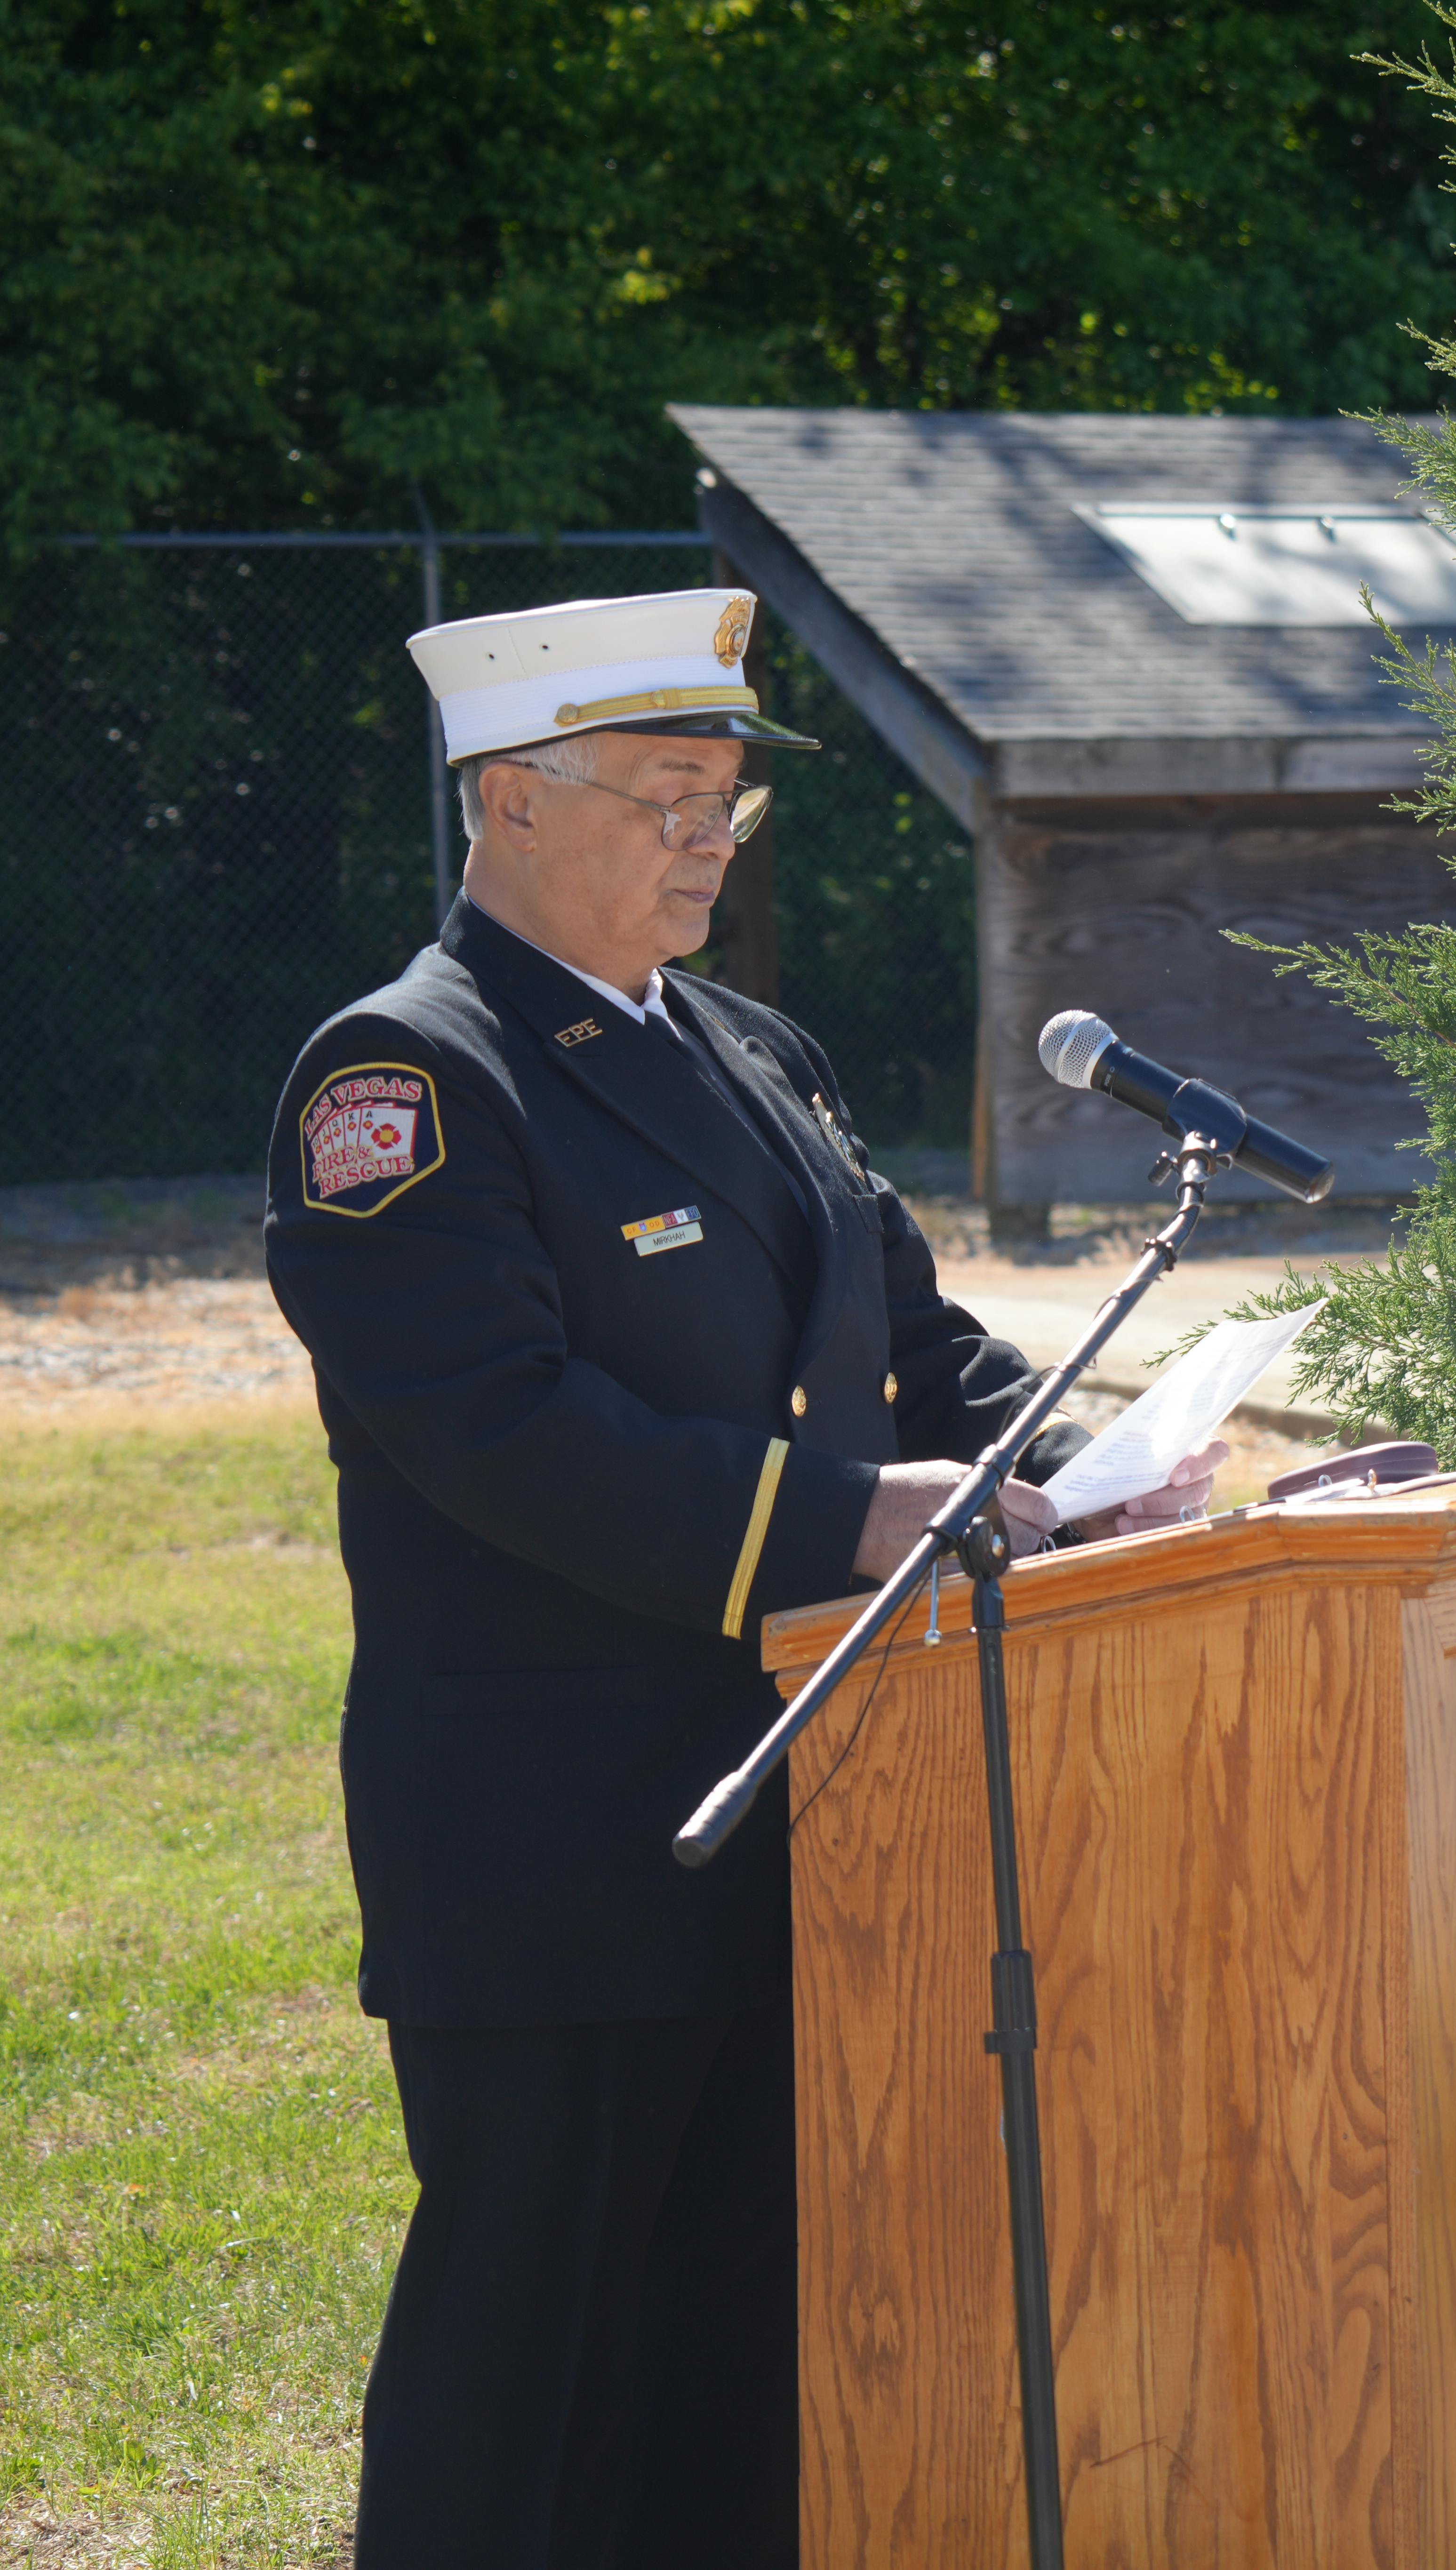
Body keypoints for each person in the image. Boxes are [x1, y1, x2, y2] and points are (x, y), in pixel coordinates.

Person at [262, 588, 1223, 2566]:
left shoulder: (748, 1044)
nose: (712, 837)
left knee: (744, 2364)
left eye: (727, 803)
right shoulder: (408, 1084)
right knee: (525, 2383)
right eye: (668, 795)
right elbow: (497, 1430)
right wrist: (847, 1516)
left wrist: (1097, 1472)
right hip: (564, 1843)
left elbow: (914, 1342)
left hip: (822, 1812)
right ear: (512, 802)